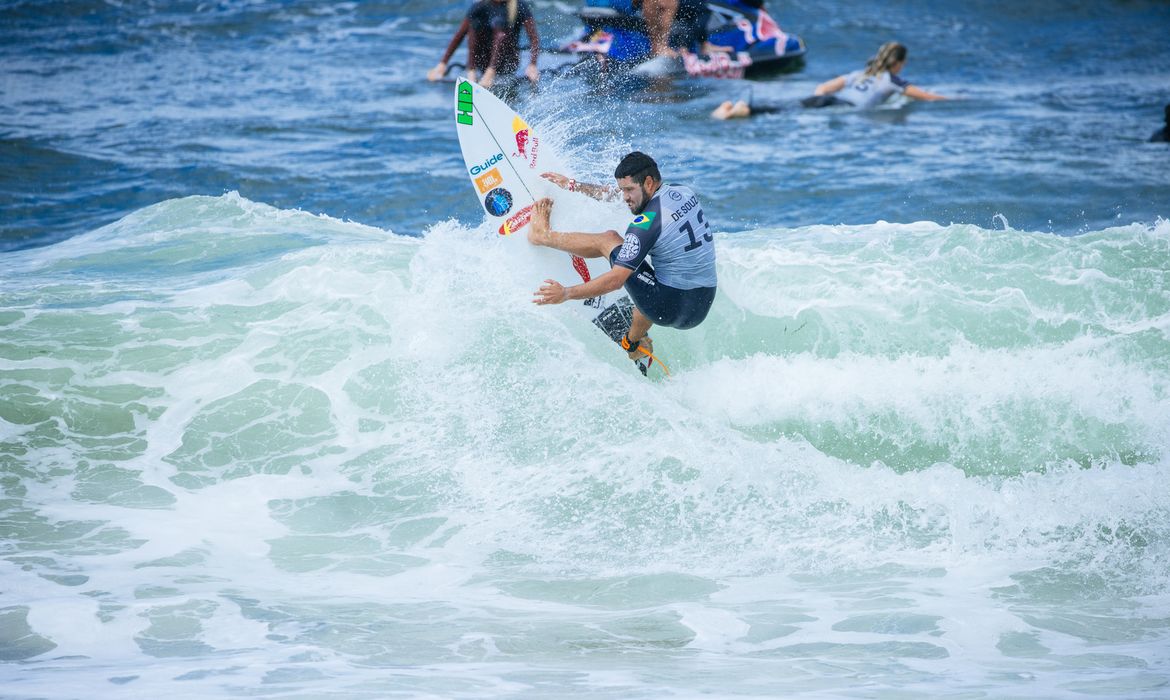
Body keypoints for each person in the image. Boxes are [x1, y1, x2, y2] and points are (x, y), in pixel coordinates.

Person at [531, 152, 717, 362]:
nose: (625, 197)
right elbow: (615, 196)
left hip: (666, 307)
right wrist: (573, 185)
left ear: (648, 182)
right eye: (622, 190)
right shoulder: (682, 192)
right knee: (651, 271)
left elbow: (616, 280)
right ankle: (633, 341)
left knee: (609, 239)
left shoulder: (645, 225)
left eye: (629, 190)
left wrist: (565, 293)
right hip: (702, 303)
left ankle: (542, 235)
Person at [427, 0, 540, 88]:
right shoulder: (480, 6)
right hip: (482, 61)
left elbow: (534, 38)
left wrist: (532, 65)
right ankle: (471, 73)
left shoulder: (519, 6)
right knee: (473, 26)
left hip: (507, 62)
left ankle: (489, 74)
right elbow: (460, 35)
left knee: (500, 30)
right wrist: (442, 64)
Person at [805, 41, 947, 109]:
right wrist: (957, 99)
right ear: (898, 63)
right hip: (844, 106)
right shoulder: (893, 81)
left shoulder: (860, 74)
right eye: (904, 62)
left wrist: (818, 99)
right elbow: (928, 97)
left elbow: (822, 87)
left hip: (830, 100)